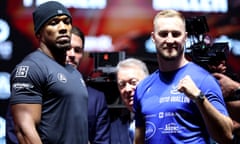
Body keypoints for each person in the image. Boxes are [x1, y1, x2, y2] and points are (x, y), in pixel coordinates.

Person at [133, 9, 233, 144]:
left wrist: (199, 98)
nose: (169, 40)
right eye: (163, 34)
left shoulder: (203, 80)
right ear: (153, 37)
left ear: (185, 37)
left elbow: (226, 135)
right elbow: (138, 140)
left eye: (175, 34)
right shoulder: (143, 87)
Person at [9, 1, 88, 144]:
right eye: (54, 22)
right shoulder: (31, 68)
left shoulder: (74, 73)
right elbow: (24, 131)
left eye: (66, 22)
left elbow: (77, 130)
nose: (63, 28)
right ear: (39, 32)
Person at [66, 26, 110, 144]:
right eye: (67, 48)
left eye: (77, 50)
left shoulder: (96, 99)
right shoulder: (37, 88)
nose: (72, 54)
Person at [113, 58, 149, 144]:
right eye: (122, 85)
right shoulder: (114, 126)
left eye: (133, 82)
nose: (127, 89)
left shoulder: (164, 117)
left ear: (148, 82)